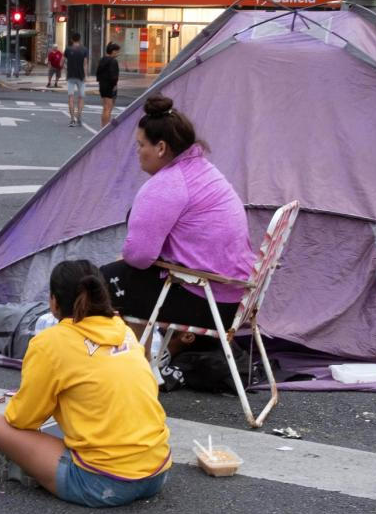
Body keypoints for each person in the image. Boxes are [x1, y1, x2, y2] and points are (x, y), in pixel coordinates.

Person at [0, 260, 172, 508]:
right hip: (157, 472)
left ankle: (30, 470)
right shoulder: (123, 330)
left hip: (103, 483)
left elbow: (22, 420)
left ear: (54, 302)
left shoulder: (50, 342)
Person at [100, 95, 255, 348]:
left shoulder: (166, 185)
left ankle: (135, 366)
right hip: (237, 299)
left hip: (210, 303)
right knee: (128, 277)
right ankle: (148, 363)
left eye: (140, 145)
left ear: (160, 148)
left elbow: (139, 256)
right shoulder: (204, 171)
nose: (138, 152)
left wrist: (126, 257)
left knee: (104, 281)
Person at [64, 33, 89, 128]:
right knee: (81, 97)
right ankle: (79, 117)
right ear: (80, 39)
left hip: (70, 76)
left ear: (71, 39)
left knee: (71, 98)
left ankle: (72, 119)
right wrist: (85, 76)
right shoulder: (84, 50)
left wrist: (67, 68)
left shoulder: (68, 49)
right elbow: (85, 64)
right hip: (81, 77)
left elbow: (62, 62)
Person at [96, 43, 121, 129]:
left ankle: (103, 126)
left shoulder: (102, 60)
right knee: (108, 108)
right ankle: (105, 128)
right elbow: (114, 76)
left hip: (102, 85)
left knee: (105, 107)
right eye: (117, 52)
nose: (118, 54)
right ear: (113, 51)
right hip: (109, 86)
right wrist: (114, 85)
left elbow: (98, 73)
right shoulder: (113, 61)